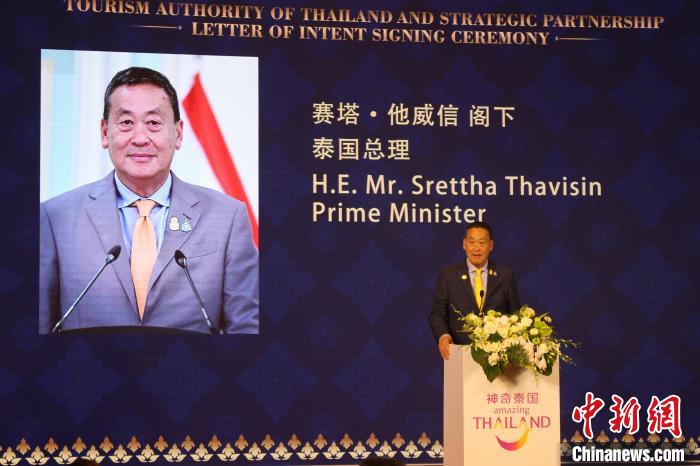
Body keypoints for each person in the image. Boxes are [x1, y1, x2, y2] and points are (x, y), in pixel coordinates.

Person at [39, 67, 258, 334]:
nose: (141, 138)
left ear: (178, 133)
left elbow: (247, 329)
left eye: (153, 123)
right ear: (105, 132)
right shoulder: (55, 218)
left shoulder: (227, 217)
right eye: (126, 123)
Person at [428, 222, 520, 359]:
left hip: (498, 357)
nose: (477, 248)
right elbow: (437, 314)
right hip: (459, 355)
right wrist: (443, 335)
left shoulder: (505, 275)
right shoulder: (448, 275)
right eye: (472, 242)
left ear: (491, 245)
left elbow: (515, 315)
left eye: (482, 242)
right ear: (464, 244)